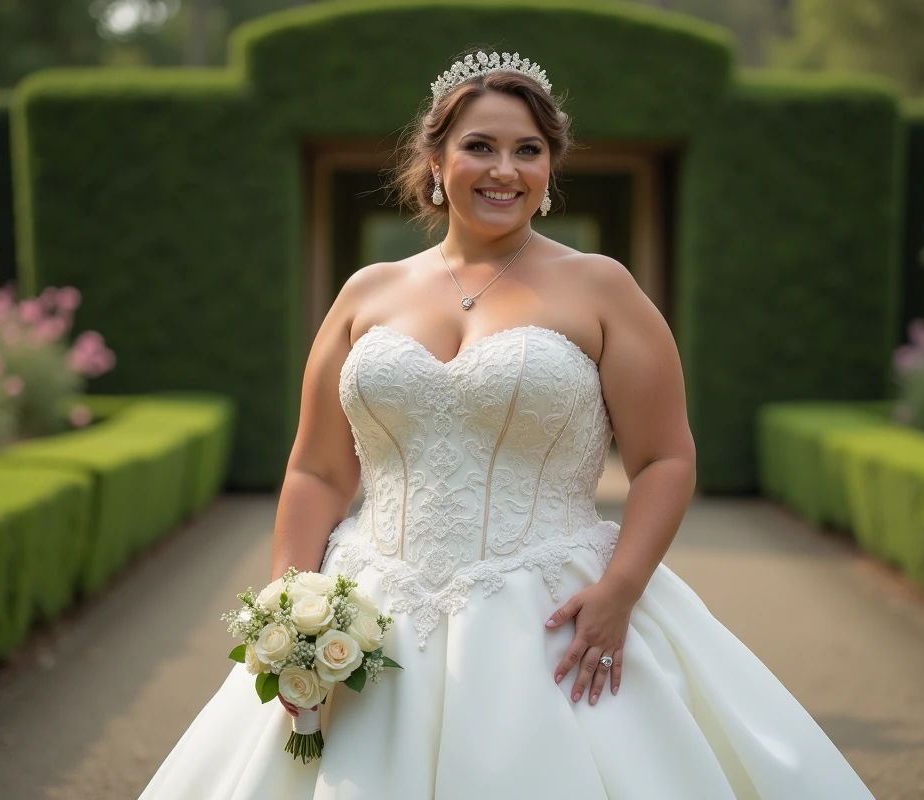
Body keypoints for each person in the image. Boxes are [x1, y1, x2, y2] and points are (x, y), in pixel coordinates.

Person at [138, 50, 875, 799]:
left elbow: (665, 459)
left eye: (529, 150)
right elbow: (318, 471)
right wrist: (291, 617)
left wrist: (621, 590)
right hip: (369, 612)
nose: (505, 169)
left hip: (552, 614)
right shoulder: (367, 293)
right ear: (435, 160)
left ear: (550, 169)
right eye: (480, 146)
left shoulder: (601, 288)